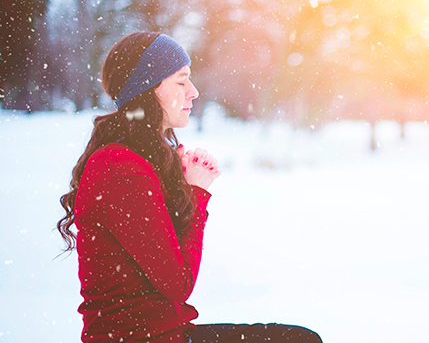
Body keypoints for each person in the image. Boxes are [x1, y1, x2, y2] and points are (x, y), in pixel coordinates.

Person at [56, 32, 322, 343]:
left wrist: (180, 186)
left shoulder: (136, 161)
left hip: (169, 334)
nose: (193, 92)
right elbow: (177, 283)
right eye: (181, 82)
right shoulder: (121, 168)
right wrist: (197, 193)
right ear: (147, 89)